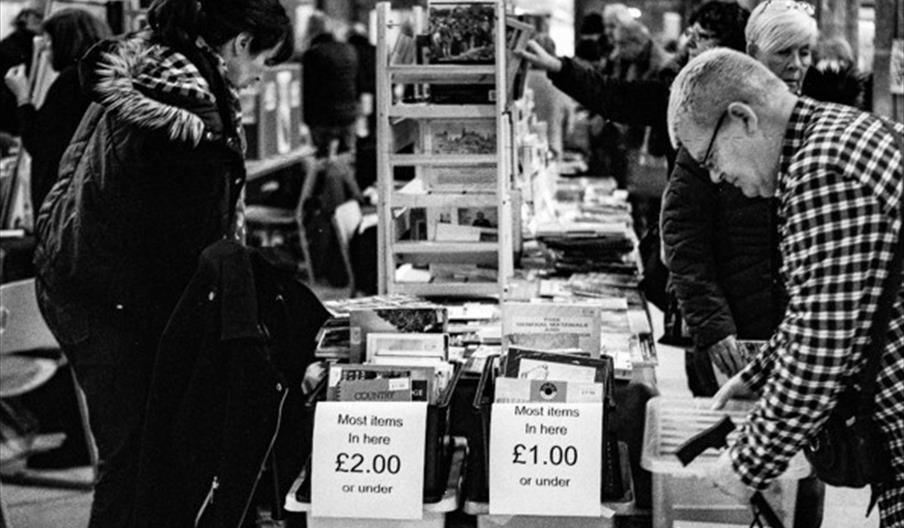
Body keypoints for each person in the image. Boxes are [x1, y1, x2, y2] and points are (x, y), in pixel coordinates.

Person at [32, 0, 293, 525]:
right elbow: (184, 246)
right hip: (111, 300)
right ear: (240, 44)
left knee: (134, 456)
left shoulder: (150, 76)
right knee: (134, 461)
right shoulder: (189, 116)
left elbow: (76, 174)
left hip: (85, 282)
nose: (262, 78)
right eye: (265, 62)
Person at [668, 47, 904, 527]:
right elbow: (829, 302)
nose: (718, 178)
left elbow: (822, 346)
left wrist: (746, 464)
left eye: (711, 158)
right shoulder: (836, 134)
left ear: (743, 118)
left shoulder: (821, 169)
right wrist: (757, 374)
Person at [661, 0, 817, 399]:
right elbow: (683, 235)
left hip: (801, 343)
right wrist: (713, 325)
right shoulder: (714, 122)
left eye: (805, 52)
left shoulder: (818, 128)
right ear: (753, 54)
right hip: (731, 337)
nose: (797, 65)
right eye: (783, 52)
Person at [4, 9, 111, 213]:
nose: (45, 49)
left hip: (66, 202)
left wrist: (23, 97)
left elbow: (38, 143)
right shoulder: (100, 77)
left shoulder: (70, 83)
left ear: (65, 42)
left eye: (49, 41)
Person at [300, 11, 359, 158]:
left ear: (310, 30)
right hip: (348, 115)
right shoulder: (349, 49)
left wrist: (304, 120)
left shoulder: (312, 54)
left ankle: (325, 181)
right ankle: (345, 181)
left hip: (322, 118)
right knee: (346, 159)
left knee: (321, 160)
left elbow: (307, 90)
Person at [525, 34, 574, 161]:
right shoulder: (561, 84)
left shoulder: (522, 81)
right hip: (552, 151)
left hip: (524, 153)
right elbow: (569, 128)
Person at [0, 7, 41, 138]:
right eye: (38, 16)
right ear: (25, 17)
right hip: (15, 119)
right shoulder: (16, 46)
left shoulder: (11, 44)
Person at [802, 35, 867, 108]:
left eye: (826, 58)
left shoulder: (846, 88)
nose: (819, 64)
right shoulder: (854, 82)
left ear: (842, 62)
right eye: (821, 59)